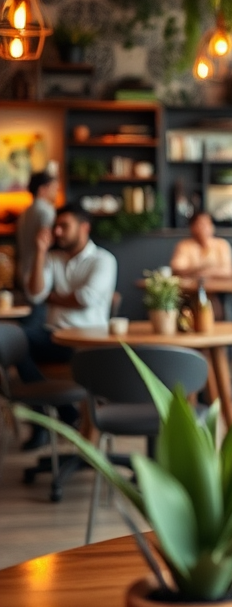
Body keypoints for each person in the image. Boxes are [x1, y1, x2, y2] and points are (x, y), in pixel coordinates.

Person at [20, 202, 117, 449]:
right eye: (56, 227)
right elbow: (35, 295)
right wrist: (40, 251)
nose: (58, 232)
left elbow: (86, 299)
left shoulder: (103, 259)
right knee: (12, 343)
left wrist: (53, 297)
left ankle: (51, 421)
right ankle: (61, 415)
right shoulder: (52, 257)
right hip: (53, 337)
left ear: (84, 227)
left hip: (89, 342)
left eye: (64, 226)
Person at [15, 171, 59, 328]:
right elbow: (46, 241)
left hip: (23, 270)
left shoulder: (24, 214)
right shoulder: (46, 211)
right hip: (40, 271)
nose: (56, 191)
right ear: (43, 189)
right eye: (54, 187)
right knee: (39, 323)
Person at [170, 211, 232, 279]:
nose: (205, 228)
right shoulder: (183, 246)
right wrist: (203, 269)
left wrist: (204, 273)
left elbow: (228, 271)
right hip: (191, 288)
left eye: (208, 224)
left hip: (219, 288)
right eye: (201, 224)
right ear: (192, 227)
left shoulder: (222, 244)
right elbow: (177, 269)